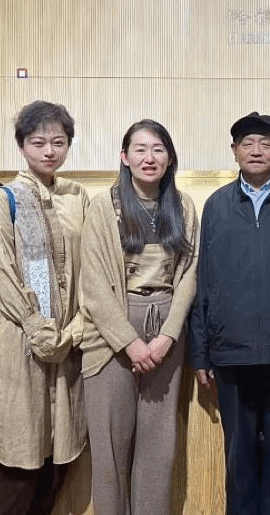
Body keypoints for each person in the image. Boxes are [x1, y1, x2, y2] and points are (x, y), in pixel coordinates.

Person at [188, 112, 270, 515]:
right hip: (232, 352)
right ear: (234, 151)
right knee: (239, 462)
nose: (257, 150)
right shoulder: (216, 206)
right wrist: (200, 352)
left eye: (266, 143)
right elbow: (204, 280)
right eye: (247, 143)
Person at [80, 120, 199, 515]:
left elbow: (189, 275)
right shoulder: (104, 206)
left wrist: (168, 335)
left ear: (170, 158)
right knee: (110, 449)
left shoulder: (183, 206)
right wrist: (129, 342)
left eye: (158, 149)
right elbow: (93, 282)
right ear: (124, 157)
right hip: (111, 332)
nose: (150, 158)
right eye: (141, 149)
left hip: (166, 327)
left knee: (158, 446)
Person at [0, 101, 89, 515]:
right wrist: (38, 329)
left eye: (58, 142)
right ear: (22, 146)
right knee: (18, 453)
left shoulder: (77, 197)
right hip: (20, 342)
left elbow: (92, 267)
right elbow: (1, 272)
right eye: (38, 142)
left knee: (56, 457)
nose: (49, 151)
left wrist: (73, 330)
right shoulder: (2, 200)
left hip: (69, 343)